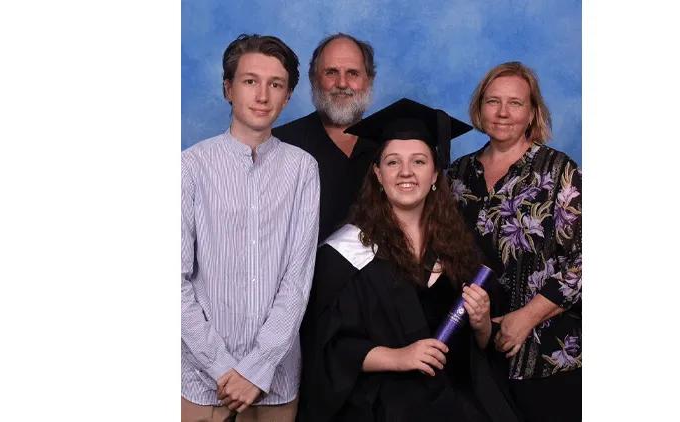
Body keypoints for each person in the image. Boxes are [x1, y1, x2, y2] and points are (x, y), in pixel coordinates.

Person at [299, 98, 521, 422]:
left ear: (434, 174)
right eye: (392, 162)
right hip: (380, 406)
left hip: (453, 402)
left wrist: (482, 323)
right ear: (377, 173)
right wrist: (398, 357)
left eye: (418, 161)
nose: (406, 172)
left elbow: (483, 348)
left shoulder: (462, 248)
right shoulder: (345, 254)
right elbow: (328, 346)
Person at [180, 34, 319, 422]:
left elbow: (297, 278)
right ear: (228, 88)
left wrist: (257, 369)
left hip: (276, 379)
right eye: (249, 81)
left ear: (288, 96)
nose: (262, 95)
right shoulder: (190, 167)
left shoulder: (303, 169)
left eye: (275, 84)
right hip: (203, 379)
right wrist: (225, 369)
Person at [447, 62, 582, 422]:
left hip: (548, 357)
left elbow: (585, 260)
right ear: (479, 107)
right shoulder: (457, 175)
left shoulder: (559, 172)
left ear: (532, 111)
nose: (503, 112)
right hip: (475, 354)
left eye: (515, 103)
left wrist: (525, 317)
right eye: (493, 101)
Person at [273, 33, 379, 242]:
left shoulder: (390, 147)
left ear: (369, 80)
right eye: (331, 72)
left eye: (353, 73)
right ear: (314, 79)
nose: (342, 83)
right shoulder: (280, 144)